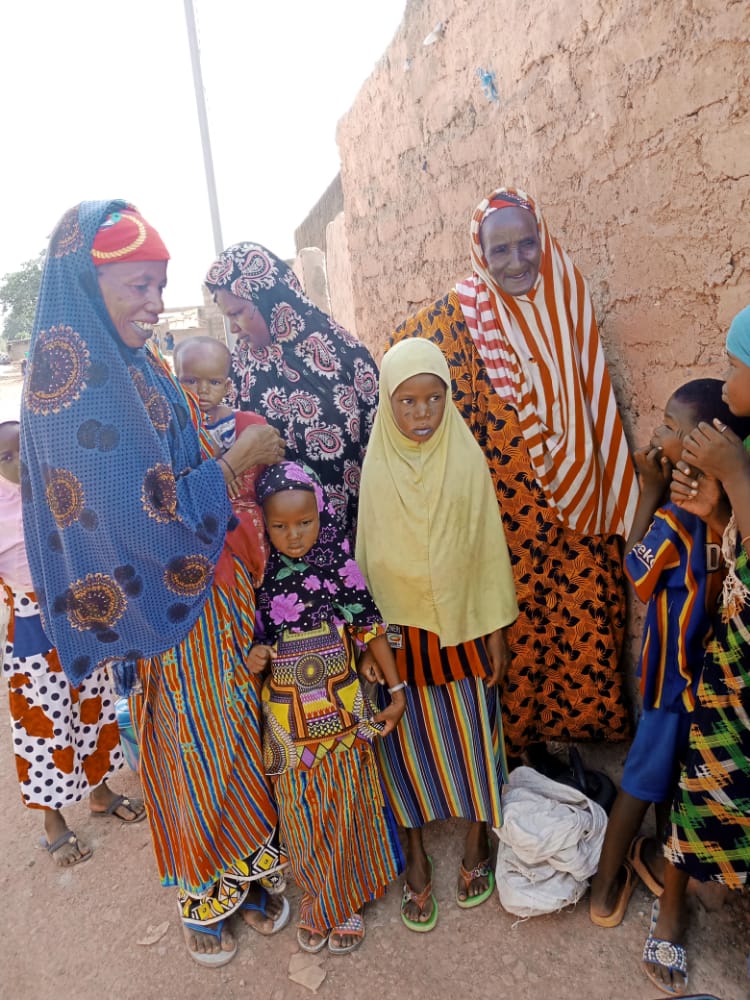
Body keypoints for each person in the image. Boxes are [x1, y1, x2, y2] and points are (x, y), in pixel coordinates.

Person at [20, 202, 289, 968]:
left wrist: (219, 446)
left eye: (160, 284)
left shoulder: (135, 363)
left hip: (210, 592)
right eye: (138, 284)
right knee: (181, 748)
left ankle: (245, 860)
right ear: (88, 282)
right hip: (158, 606)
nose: (152, 302)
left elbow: (174, 454)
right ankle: (202, 887)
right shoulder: (70, 386)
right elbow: (138, 521)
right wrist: (235, 463)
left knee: (232, 732)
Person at [388, 185, 639, 761]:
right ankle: (522, 757)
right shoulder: (457, 316)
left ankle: (577, 742)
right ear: (479, 252)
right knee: (515, 633)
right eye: (499, 250)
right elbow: (402, 365)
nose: (517, 261)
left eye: (528, 244)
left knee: (584, 619)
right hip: (502, 519)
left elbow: (592, 390)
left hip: (577, 504)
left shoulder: (567, 293)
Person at [356, 338, 518, 931]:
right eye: (407, 402)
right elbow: (366, 564)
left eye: (433, 399)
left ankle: (479, 840)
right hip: (399, 642)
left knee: (474, 735)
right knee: (403, 746)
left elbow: (486, 551)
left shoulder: (466, 458)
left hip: (464, 629)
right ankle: (416, 857)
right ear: (387, 404)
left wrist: (496, 629)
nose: (422, 414)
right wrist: (366, 646)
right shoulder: (377, 468)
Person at [589, 380, 750, 927]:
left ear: (702, 444)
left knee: (641, 780)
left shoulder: (676, 517)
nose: (656, 433)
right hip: (706, 677)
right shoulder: (724, 511)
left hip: (669, 680)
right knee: (667, 774)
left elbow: (635, 571)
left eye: (668, 427)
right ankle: (648, 858)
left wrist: (648, 491)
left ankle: (607, 878)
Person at [249, 461, 405, 954]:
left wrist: (396, 692)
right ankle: (319, 898)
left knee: (347, 800)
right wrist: (253, 653)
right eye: (279, 526)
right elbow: (246, 642)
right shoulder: (255, 572)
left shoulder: (339, 563)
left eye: (304, 522)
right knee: (298, 809)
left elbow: (370, 626)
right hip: (286, 715)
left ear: (321, 514)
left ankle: (345, 901)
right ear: (264, 523)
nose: (293, 536)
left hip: (341, 704)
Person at [639, 305, 750, 995]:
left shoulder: (738, 457)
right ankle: (671, 910)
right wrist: (714, 504)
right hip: (731, 662)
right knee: (703, 778)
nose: (729, 374)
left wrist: (732, 474)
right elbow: (725, 535)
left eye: (737, 364)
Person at [0, 419, 145, 867]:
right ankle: (53, 822)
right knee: (45, 725)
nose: (21, 462)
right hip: (31, 631)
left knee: (94, 708)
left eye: (26, 448)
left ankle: (99, 794)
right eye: (7, 457)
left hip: (79, 618)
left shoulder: (64, 485)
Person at [204, 242, 380, 537]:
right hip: (274, 553)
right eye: (228, 317)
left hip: (348, 538)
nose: (233, 328)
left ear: (268, 299)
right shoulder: (237, 372)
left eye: (238, 313)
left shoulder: (346, 357)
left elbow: (379, 449)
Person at [174, 335, 269, 581]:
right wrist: (220, 466)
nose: (202, 390)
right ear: (175, 382)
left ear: (227, 387)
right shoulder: (175, 423)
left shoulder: (237, 422)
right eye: (191, 381)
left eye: (213, 382)